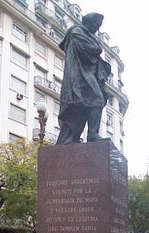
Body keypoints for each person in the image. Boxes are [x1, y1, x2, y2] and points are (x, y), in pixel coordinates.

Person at [56, 12, 111, 145]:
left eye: (100, 26)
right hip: (79, 74)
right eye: (97, 24)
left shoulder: (89, 35)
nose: (98, 28)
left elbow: (96, 50)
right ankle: (92, 134)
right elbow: (92, 50)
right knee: (96, 99)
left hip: (88, 74)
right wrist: (97, 47)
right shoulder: (76, 32)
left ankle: (85, 135)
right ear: (90, 22)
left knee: (90, 103)